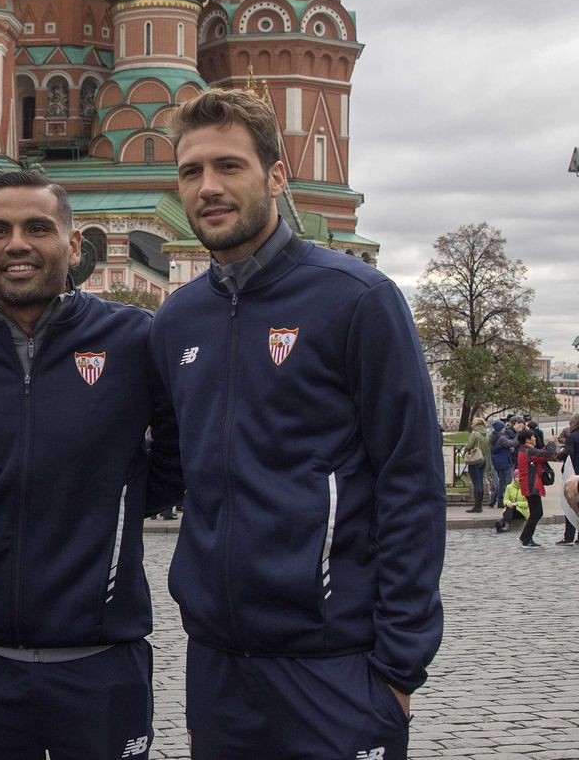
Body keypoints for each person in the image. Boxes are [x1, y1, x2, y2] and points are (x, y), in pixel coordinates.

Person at [150, 89, 444, 759]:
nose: (209, 187)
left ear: (277, 176)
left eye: (229, 166)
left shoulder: (357, 300)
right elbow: (165, 467)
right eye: (191, 171)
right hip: (219, 668)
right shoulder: (178, 320)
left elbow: (412, 480)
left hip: (334, 666)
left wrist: (397, 670)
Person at [0, 169, 181, 760]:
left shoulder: (133, 339)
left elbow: (177, 454)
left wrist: (107, 498)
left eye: (37, 228)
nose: (16, 243)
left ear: (74, 246)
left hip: (101, 660)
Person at [512, 428, 558, 548]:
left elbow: (540, 454)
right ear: (528, 439)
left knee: (536, 513)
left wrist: (548, 445)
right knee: (536, 513)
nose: (535, 438)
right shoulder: (528, 451)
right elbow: (546, 455)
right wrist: (552, 442)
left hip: (529, 485)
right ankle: (526, 539)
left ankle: (524, 537)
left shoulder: (525, 450)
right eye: (533, 437)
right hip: (531, 485)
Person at [464, 418, 490, 512]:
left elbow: (468, 445)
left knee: (476, 484)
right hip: (483, 459)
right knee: (480, 483)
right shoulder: (486, 434)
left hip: (475, 460)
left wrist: (465, 452)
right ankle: (480, 505)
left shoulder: (475, 433)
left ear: (476, 424)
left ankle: (477, 506)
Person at [489, 418, 515, 508]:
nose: (504, 429)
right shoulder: (502, 438)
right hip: (504, 462)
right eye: (503, 428)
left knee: (501, 482)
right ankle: (503, 501)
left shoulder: (494, 436)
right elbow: (513, 443)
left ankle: (494, 500)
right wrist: (519, 434)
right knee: (507, 482)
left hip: (498, 462)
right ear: (500, 428)